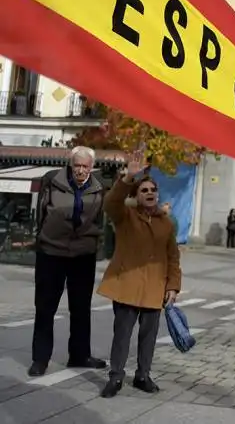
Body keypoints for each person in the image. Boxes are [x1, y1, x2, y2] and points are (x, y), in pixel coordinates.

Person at [97, 151, 182, 397]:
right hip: (127, 286)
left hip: (155, 288)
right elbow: (110, 203)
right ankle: (116, 377)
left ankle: (143, 375)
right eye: (143, 190)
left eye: (152, 190)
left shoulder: (166, 223)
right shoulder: (125, 216)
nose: (149, 194)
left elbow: (173, 257)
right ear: (136, 195)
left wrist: (173, 286)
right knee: (122, 334)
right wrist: (128, 178)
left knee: (149, 336)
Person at [29, 146, 107, 377]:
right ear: (70, 165)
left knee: (81, 308)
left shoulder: (98, 187)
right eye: (77, 165)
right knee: (45, 308)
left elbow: (101, 217)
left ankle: (79, 355)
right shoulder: (52, 181)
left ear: (91, 167)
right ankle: (40, 359)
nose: (81, 171)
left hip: (83, 254)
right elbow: (41, 212)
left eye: (85, 166)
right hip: (51, 252)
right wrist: (42, 238)